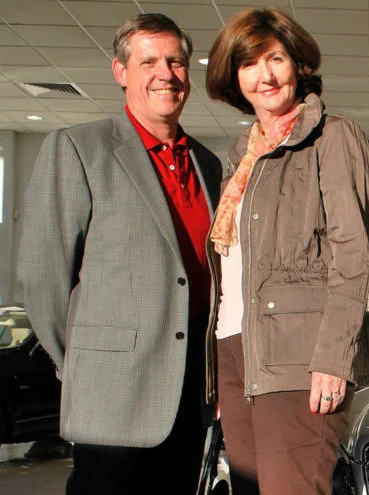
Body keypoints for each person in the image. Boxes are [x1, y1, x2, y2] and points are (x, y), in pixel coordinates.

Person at [16, 13, 222, 495]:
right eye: (148, 60)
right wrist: (86, 363)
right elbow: (42, 279)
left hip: (190, 389)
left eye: (175, 61)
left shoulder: (207, 164)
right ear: (121, 71)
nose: (165, 73)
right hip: (114, 391)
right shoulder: (78, 148)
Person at [204, 6, 369, 494]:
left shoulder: (332, 137)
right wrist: (220, 372)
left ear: (297, 64)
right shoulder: (244, 158)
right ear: (233, 77)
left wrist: (333, 359)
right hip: (236, 351)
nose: (265, 75)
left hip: (300, 355)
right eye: (249, 64)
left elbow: (352, 253)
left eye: (275, 58)